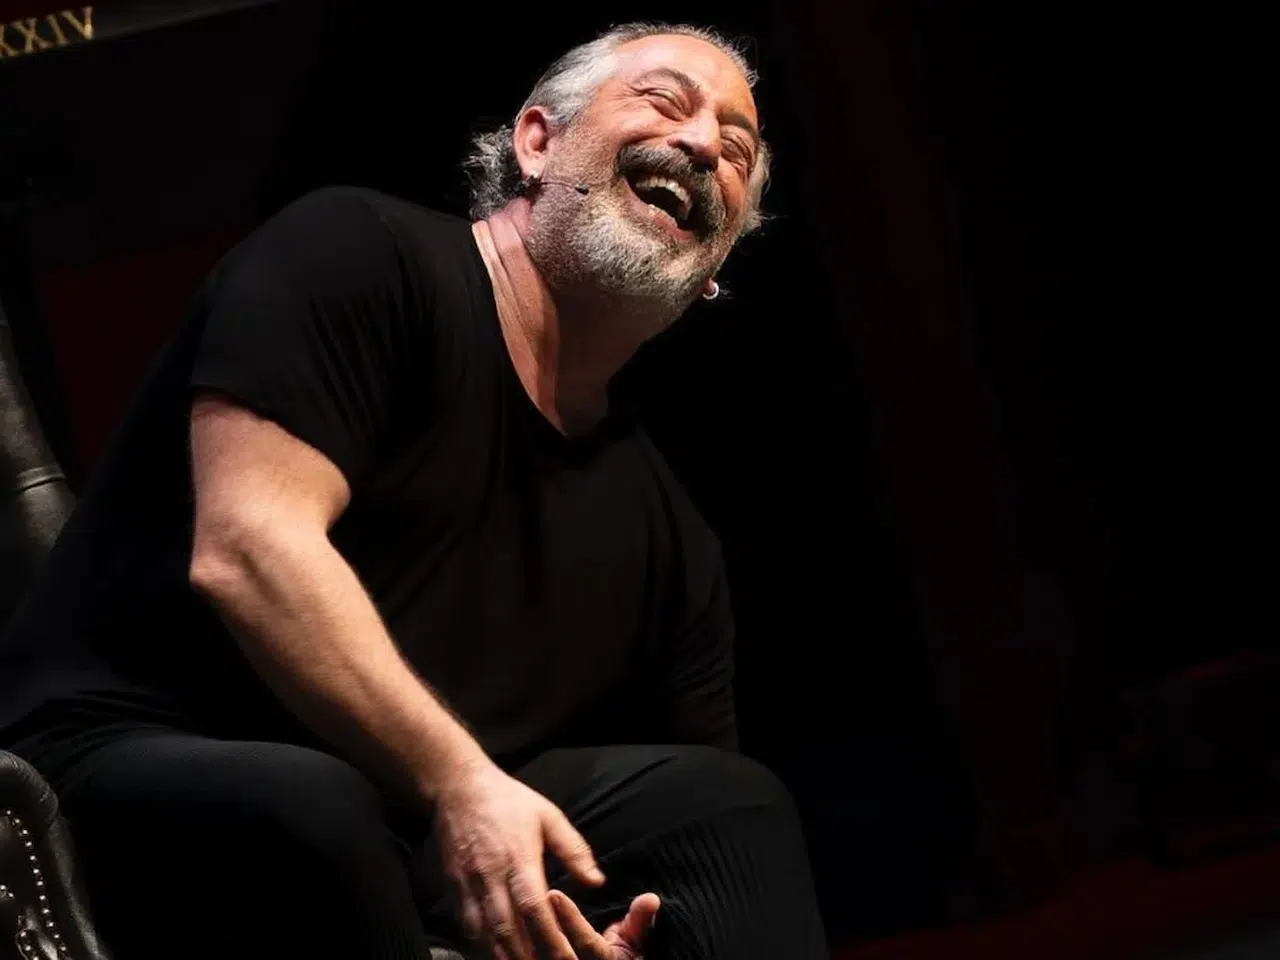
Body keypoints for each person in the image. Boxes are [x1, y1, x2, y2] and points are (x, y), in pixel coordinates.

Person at [0, 21, 827, 960]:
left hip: (401, 823)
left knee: (724, 806)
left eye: (738, 151)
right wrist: (461, 781)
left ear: (714, 268)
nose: (703, 144)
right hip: (115, 766)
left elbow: (656, 830)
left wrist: (623, 930)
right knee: (317, 807)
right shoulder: (356, 254)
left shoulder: (671, 542)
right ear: (536, 142)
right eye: (666, 101)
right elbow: (248, 549)